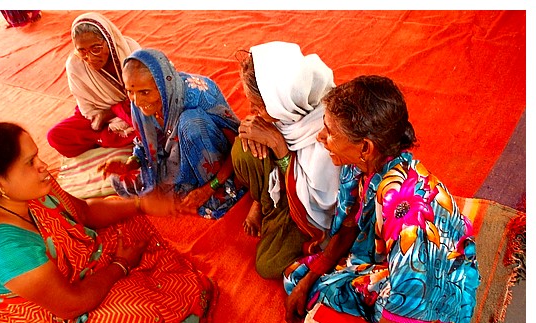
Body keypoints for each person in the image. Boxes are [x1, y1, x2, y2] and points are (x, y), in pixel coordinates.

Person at [0, 122, 217, 323]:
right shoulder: (2, 250)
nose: (43, 165)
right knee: (141, 306)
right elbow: (71, 305)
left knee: (130, 224)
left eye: (38, 156)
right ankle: (130, 279)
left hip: (63, 275)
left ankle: (122, 272)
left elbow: (84, 213)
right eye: (30, 162)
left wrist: (139, 204)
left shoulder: (28, 189)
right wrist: (121, 265)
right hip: (51, 321)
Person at [283, 75, 481, 323]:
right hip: (390, 260)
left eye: (330, 132)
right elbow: (350, 224)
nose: (320, 137)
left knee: (339, 300)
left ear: (365, 146)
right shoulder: (360, 163)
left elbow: (413, 291)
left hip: (437, 285)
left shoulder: (405, 211)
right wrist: (311, 277)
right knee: (299, 280)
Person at [231, 41, 340, 279]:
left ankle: (278, 214)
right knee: (244, 146)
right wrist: (259, 131)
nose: (251, 109)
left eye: (258, 106)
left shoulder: (328, 130)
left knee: (268, 264)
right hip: (289, 182)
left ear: (280, 102)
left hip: (309, 210)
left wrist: (279, 146)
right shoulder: (290, 103)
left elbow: (324, 203)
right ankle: (264, 202)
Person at [98, 48, 245, 219]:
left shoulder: (201, 93)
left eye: (145, 92)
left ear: (163, 84)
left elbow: (239, 142)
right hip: (172, 160)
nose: (137, 101)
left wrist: (210, 187)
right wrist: (130, 164)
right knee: (121, 179)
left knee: (191, 123)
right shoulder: (138, 103)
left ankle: (212, 187)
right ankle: (183, 186)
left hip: (213, 159)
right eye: (130, 91)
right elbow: (144, 143)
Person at [47, 12, 140, 158]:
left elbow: (146, 93)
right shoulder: (75, 64)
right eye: (82, 51)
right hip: (99, 115)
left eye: (96, 49)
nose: (89, 58)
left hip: (135, 108)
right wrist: (104, 116)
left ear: (108, 41)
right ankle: (114, 139)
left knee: (151, 121)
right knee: (56, 136)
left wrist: (110, 113)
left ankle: (110, 140)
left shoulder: (129, 49)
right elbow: (88, 110)